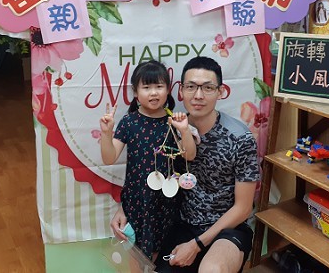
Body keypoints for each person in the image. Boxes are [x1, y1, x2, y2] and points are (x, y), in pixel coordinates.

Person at [112, 56, 261, 272]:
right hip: (180, 225)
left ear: (221, 92)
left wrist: (196, 244)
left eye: (208, 88)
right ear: (180, 91)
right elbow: (145, 172)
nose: (198, 95)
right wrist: (124, 209)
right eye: (191, 87)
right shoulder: (169, 128)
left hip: (226, 230)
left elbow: (243, 207)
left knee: (212, 270)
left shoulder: (240, 138)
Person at [100, 60, 197, 261]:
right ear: (135, 92)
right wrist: (107, 133)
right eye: (146, 87)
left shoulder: (174, 121)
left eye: (159, 86)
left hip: (167, 201)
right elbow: (109, 158)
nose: (153, 93)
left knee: (159, 254)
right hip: (137, 201)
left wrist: (184, 130)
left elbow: (189, 155)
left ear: (168, 90)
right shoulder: (129, 122)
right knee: (134, 253)